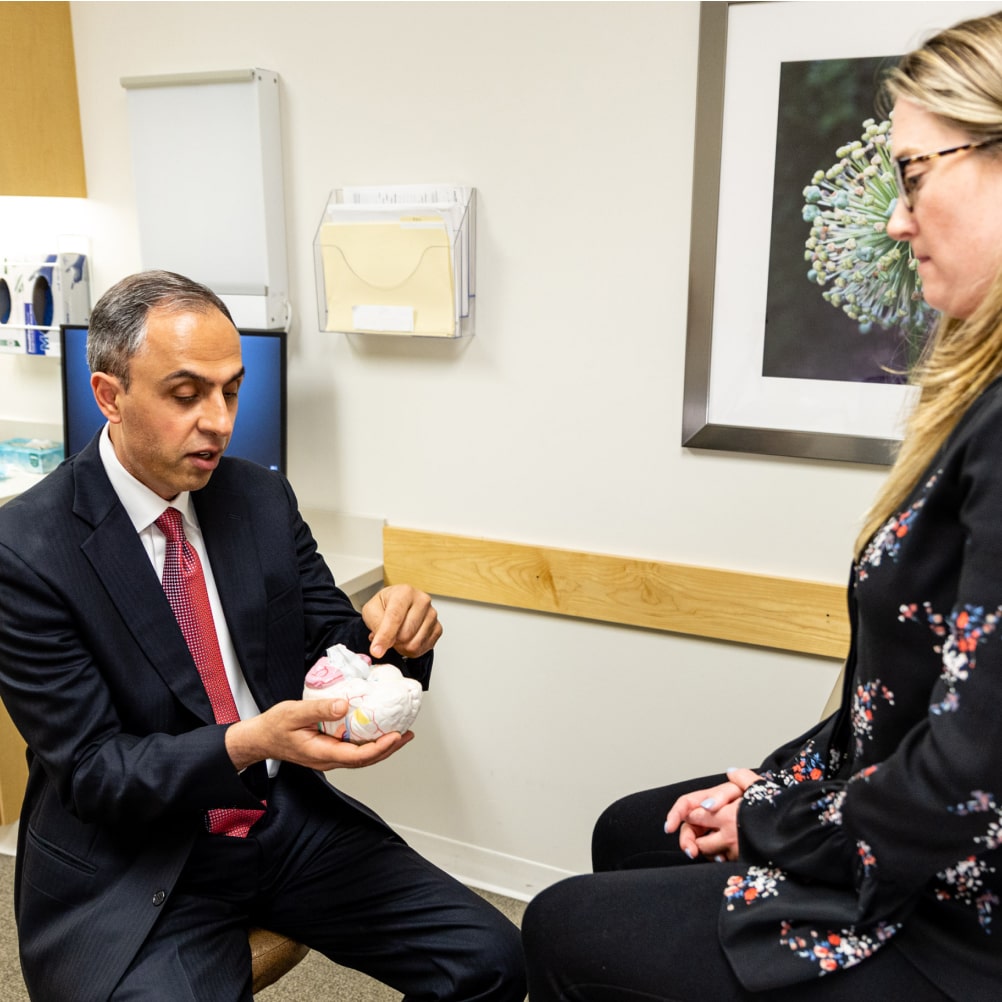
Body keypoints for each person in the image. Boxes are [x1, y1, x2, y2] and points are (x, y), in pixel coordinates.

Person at [522, 11, 1002, 1002]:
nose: (896, 218)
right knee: (632, 829)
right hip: (912, 833)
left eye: (914, 174)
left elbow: (965, 767)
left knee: (563, 926)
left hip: (959, 917)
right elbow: (894, 701)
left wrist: (773, 825)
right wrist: (775, 785)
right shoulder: (976, 396)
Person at [0, 270, 525, 1001]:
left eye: (231, 390)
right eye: (187, 394)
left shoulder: (257, 498)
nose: (219, 420)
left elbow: (338, 650)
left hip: (284, 822)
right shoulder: (26, 548)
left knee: (493, 959)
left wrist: (398, 634)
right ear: (109, 396)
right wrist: (251, 741)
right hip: (143, 859)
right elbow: (96, 774)